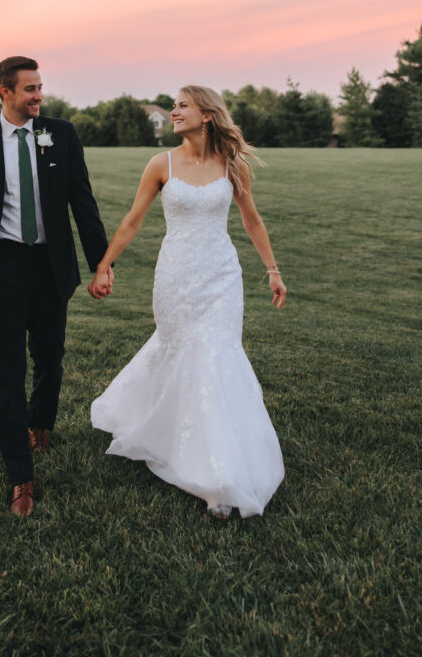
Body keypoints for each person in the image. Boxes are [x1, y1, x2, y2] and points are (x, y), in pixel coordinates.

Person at [89, 85, 286, 518]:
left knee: (216, 355)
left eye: (182, 105)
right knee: (180, 349)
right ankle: (161, 429)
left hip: (220, 276)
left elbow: (251, 220)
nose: (174, 111)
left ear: (208, 115)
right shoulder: (161, 164)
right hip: (176, 275)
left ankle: (218, 474)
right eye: (174, 106)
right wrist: (104, 265)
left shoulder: (232, 167)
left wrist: (272, 270)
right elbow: (133, 220)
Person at [0, 56, 112, 516]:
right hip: (1, 267)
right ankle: (21, 477)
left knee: (51, 357)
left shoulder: (61, 133)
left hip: (49, 264)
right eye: (29, 90)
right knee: (5, 372)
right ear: (5, 92)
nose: (39, 96)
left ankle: (40, 422)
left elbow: (83, 201)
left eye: (41, 87)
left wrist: (102, 263)